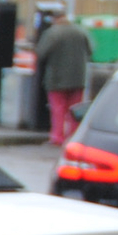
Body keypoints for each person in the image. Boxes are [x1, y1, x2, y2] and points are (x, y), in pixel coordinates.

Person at [33, 10, 94, 144]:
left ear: (54, 19)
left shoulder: (52, 33)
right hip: (78, 77)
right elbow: (91, 51)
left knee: (58, 108)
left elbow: (41, 53)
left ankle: (57, 137)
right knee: (75, 110)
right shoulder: (81, 31)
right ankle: (72, 137)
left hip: (57, 78)